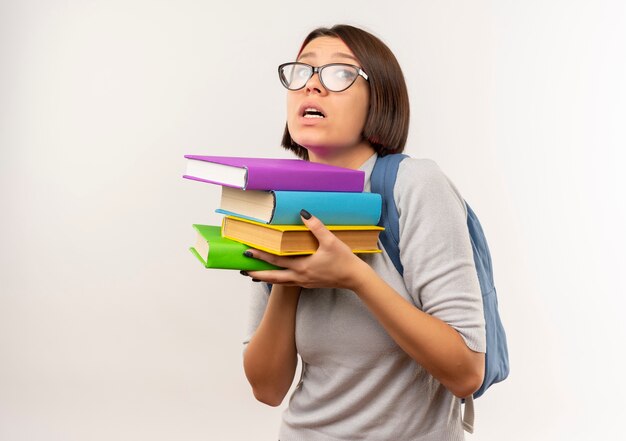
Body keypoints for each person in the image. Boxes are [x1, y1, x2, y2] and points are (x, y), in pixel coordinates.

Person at [241, 24, 486, 441]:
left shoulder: (415, 185)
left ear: (379, 100)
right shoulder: (278, 200)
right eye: (302, 72)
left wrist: (354, 277)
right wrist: (290, 276)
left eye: (339, 74)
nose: (312, 87)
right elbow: (267, 388)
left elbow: (466, 373)